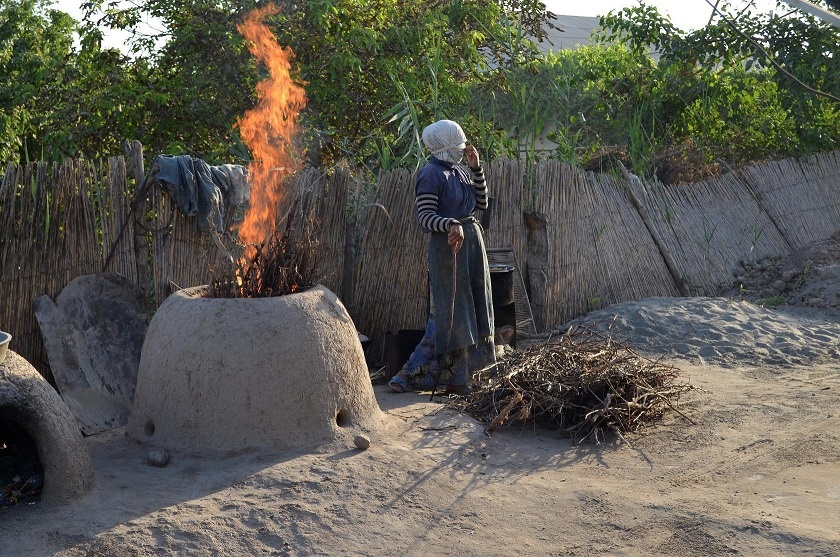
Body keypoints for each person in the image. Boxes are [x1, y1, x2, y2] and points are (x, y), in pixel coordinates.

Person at [389, 119, 495, 395]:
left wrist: (476, 168)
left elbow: (482, 203)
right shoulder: (431, 174)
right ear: (445, 146)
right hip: (448, 250)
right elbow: (425, 218)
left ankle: (464, 377)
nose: (462, 150)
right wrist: (450, 223)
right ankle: (415, 375)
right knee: (450, 314)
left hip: (472, 245)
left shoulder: (460, 171)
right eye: (458, 146)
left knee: (474, 309)